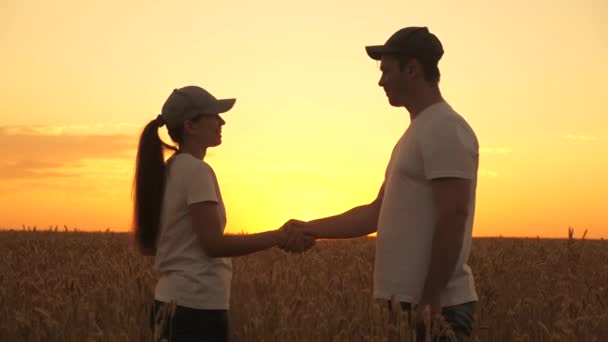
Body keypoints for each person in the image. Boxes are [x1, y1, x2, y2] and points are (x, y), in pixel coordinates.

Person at [284, 27, 479, 341]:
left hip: (435, 306)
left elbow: (454, 214)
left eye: (387, 70)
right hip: (406, 304)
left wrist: (430, 298)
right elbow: (375, 214)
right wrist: (311, 227)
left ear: (412, 69)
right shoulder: (418, 132)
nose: (381, 81)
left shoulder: (444, 128)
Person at [132, 85, 314, 342]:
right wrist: (276, 236)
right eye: (213, 115)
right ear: (190, 126)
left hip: (170, 304)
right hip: (196, 310)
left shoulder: (171, 169)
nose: (222, 121)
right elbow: (213, 244)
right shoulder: (196, 171)